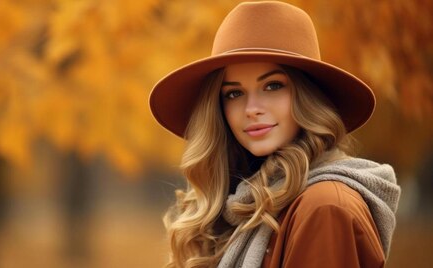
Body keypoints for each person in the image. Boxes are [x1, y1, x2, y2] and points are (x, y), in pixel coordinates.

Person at [148, 1, 401, 268]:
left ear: (307, 96)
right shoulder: (247, 205)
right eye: (234, 93)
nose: (252, 109)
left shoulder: (324, 208)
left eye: (272, 85)